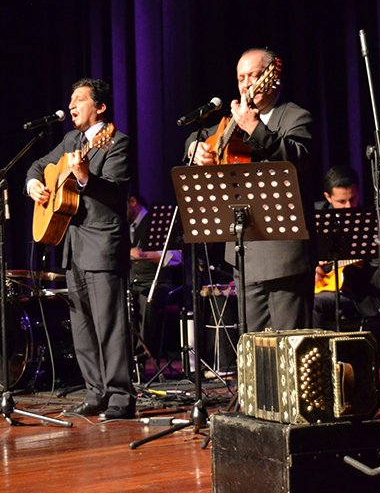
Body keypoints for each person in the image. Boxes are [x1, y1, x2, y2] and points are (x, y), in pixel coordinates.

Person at [27, 78, 136, 420]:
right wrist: (34, 185)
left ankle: (120, 396)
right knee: (83, 327)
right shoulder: (69, 140)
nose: (72, 106)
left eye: (79, 100)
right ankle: (95, 392)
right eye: (70, 100)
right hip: (73, 247)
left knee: (110, 326)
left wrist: (86, 177)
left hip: (104, 245)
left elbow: (117, 193)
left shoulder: (116, 142)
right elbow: (37, 167)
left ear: (100, 108)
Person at [185, 47, 314, 334]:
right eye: (241, 77)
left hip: (284, 253)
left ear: (272, 79)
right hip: (244, 251)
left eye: (253, 76)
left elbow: (297, 161)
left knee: (290, 343)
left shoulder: (295, 116)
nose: (246, 84)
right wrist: (195, 148)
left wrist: (254, 127)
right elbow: (200, 138)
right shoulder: (232, 120)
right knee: (254, 349)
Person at [312, 165, 380, 330]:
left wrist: (369, 265)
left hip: (356, 296)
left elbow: (377, 275)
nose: (349, 207)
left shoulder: (370, 220)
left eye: (353, 199)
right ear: (328, 197)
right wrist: (311, 270)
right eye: (341, 202)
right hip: (321, 287)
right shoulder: (315, 216)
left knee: (313, 304)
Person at [127, 193, 181, 359]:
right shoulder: (123, 226)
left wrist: (143, 254)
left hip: (159, 284)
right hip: (133, 283)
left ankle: (140, 356)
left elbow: (177, 256)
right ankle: (122, 356)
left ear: (133, 201)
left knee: (146, 299)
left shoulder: (158, 221)